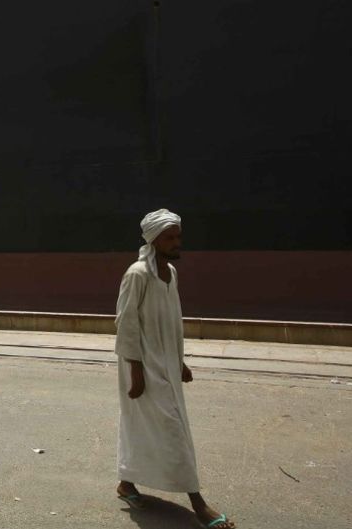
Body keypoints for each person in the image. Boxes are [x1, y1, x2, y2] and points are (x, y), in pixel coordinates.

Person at [114, 209, 234, 528]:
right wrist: (137, 372)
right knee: (173, 431)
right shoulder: (137, 274)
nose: (177, 242)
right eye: (170, 237)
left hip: (166, 364)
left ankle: (126, 484)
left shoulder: (171, 274)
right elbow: (125, 325)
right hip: (143, 367)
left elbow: (172, 323)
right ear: (153, 240)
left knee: (144, 427)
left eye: (178, 236)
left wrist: (179, 361)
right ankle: (198, 504)